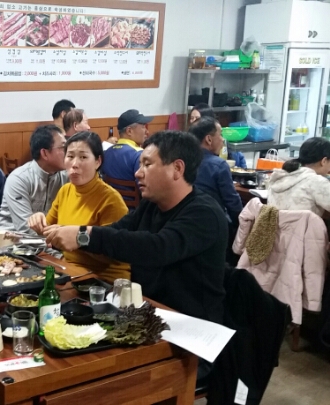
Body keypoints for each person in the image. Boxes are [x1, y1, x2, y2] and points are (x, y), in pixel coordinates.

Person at [44, 131, 227, 328]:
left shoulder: (204, 214)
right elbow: (118, 231)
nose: (138, 173)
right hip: (148, 314)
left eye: (147, 165)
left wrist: (84, 235)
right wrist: (72, 234)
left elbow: (157, 248)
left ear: (177, 168)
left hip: (192, 325)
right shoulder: (151, 205)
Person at [28, 132, 130, 282]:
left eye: (83, 157)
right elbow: (49, 231)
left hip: (103, 278)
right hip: (70, 270)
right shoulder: (65, 190)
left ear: (98, 162)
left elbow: (116, 253)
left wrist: (76, 238)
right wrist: (39, 222)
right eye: (70, 156)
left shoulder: (110, 199)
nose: (74, 164)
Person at [0, 125, 68, 235]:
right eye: (63, 147)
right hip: (13, 239)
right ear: (45, 153)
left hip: (49, 239)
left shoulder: (67, 177)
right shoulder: (19, 178)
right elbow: (25, 228)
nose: (68, 152)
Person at [189, 116, 243, 224]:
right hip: (213, 223)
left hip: (186, 220)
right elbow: (233, 204)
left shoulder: (182, 161)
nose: (222, 139)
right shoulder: (219, 165)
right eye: (220, 134)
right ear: (209, 139)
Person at [267, 137, 330, 217]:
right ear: (324, 161)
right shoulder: (317, 182)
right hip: (303, 225)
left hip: (275, 225)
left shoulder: (280, 176)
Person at [102, 109, 152, 188]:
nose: (147, 132)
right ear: (129, 131)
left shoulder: (106, 152)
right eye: (143, 127)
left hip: (110, 196)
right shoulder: (139, 155)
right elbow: (146, 187)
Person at [190, 103, 247, 168]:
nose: (193, 121)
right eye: (192, 118)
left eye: (197, 118)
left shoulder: (222, 148)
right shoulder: (190, 148)